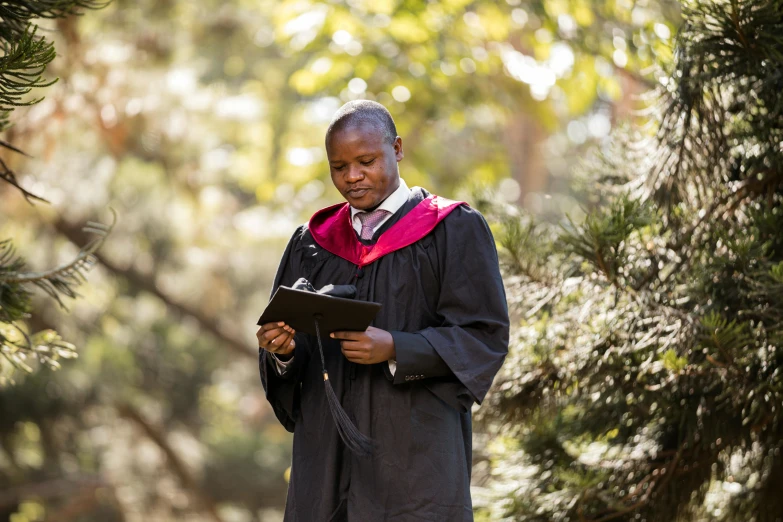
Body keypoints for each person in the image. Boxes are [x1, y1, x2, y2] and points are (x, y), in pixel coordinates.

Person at [257, 100, 509, 522]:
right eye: (339, 167)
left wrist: (395, 347)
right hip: (325, 463)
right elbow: (293, 358)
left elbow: (483, 336)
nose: (352, 177)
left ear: (397, 149)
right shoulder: (312, 242)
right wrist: (281, 350)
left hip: (414, 465)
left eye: (366, 161)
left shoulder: (451, 228)